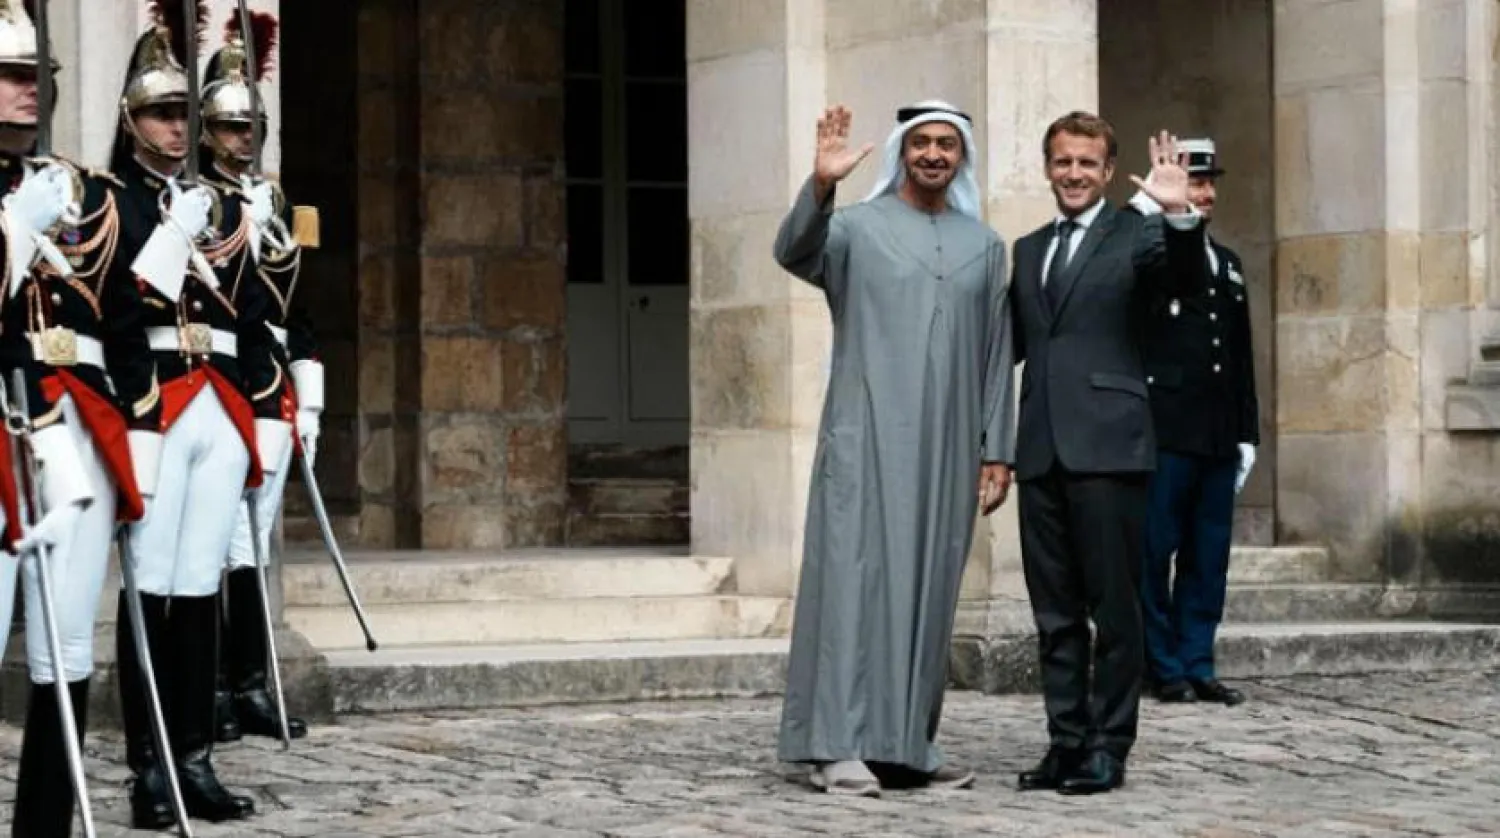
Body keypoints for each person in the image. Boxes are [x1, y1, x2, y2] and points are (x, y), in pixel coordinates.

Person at [772, 100, 1015, 797]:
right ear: (902, 152)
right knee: (853, 585)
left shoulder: (986, 247)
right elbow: (794, 252)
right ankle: (835, 744)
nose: (934, 154)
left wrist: (997, 449)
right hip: (864, 436)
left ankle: (906, 745)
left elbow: (999, 356)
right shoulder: (852, 229)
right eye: (922, 143)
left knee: (928, 593)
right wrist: (820, 186)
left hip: (946, 453)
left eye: (947, 145)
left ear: (961, 158)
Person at [109, 3, 284, 826]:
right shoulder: (108, 203)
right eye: (162, 113)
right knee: (149, 586)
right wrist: (135, 414)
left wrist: (264, 400)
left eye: (184, 113)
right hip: (161, 402)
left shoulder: (218, 204)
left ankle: (194, 757)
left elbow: (251, 307)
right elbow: (118, 302)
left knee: (197, 581)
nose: (177, 127)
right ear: (131, 119)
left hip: (216, 402)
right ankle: (149, 768)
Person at [1008, 111, 1208, 795]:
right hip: (1039, 449)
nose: (1073, 174)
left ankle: (1109, 746)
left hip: (1110, 449)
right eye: (1062, 161)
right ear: (1047, 167)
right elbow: (1010, 343)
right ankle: (1066, 742)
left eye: (1087, 163)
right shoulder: (1028, 249)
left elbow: (1185, 285)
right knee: (1054, 614)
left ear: (1105, 168)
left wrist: (1179, 214)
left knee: (1113, 611)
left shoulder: (1137, 234)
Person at [0, 2, 160, 834]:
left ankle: (44, 825)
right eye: (10, 77)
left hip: (83, 432)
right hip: (2, 431)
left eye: (36, 78)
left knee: (63, 651)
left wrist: (144, 435)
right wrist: (7, 237)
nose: (27, 93)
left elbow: (127, 318)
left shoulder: (85, 192)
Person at [200, 8, 317, 744]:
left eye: (253, 126)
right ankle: (212, 683)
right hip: (222, 377)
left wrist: (311, 392)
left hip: (273, 382)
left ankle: (248, 683)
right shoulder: (197, 203)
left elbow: (298, 305)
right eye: (233, 126)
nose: (245, 139)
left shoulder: (275, 203)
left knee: (256, 535)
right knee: (215, 543)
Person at [1128, 138, 1259, 707]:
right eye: (1192, 181)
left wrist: (1247, 432)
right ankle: (1161, 665)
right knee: (1154, 554)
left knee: (1208, 557)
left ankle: (1198, 659)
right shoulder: (1147, 253)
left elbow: (1240, 355)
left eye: (1207, 184)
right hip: (1165, 430)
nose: (1202, 193)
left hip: (1216, 433)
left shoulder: (1228, 263)